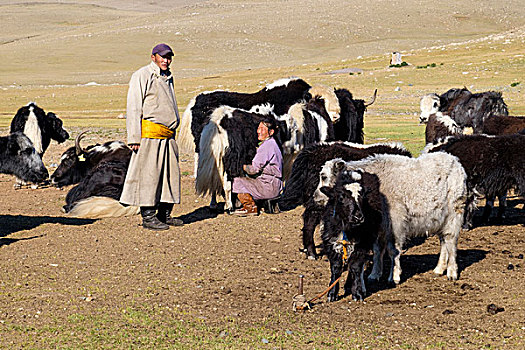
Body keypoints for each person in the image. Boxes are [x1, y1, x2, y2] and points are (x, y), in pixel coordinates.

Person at [120, 43, 184, 230]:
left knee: (169, 176)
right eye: (162, 57)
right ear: (153, 57)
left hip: (168, 136)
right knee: (150, 175)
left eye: (169, 57)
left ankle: (164, 214)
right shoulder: (142, 75)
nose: (166, 60)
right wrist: (134, 137)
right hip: (150, 135)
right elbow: (134, 106)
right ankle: (148, 216)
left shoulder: (168, 77)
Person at [232, 118, 283, 216]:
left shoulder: (266, 147)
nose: (258, 131)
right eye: (258, 128)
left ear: (271, 132)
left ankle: (250, 207)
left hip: (269, 186)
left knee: (236, 181)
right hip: (275, 185)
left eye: (262, 129)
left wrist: (241, 166)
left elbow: (254, 170)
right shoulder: (273, 143)